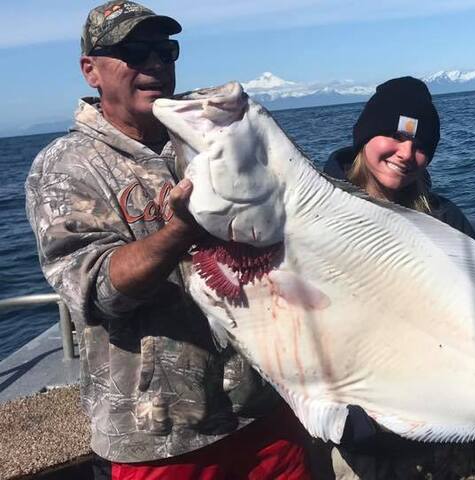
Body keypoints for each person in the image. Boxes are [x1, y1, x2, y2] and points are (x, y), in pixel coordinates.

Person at [25, 2, 311, 478]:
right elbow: (95, 291)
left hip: (265, 408)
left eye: (166, 50)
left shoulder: (211, 134)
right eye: (134, 51)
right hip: (162, 440)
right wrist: (182, 231)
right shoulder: (65, 167)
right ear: (90, 70)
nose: (155, 63)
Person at [320, 76, 475, 479]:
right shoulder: (322, 214)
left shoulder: (445, 219)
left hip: (463, 437)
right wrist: (351, 423)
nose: (406, 153)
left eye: (420, 146)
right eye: (395, 137)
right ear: (365, 135)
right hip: (374, 443)